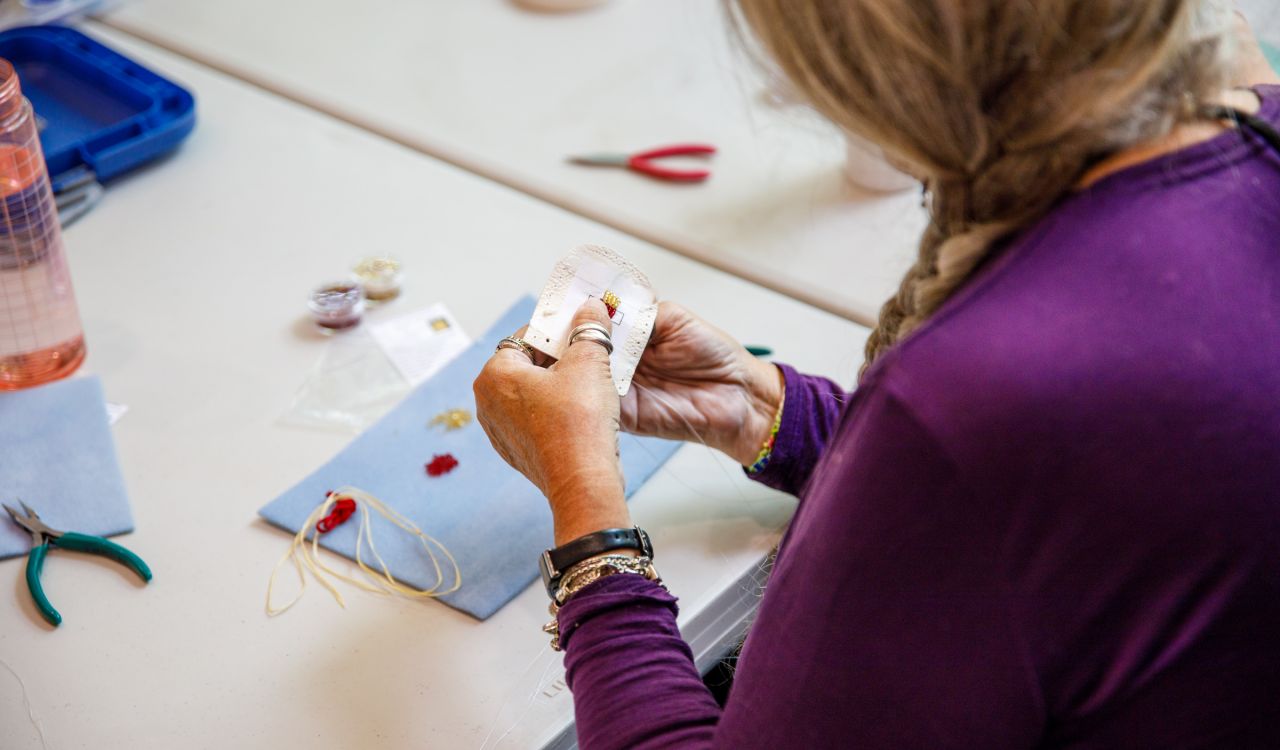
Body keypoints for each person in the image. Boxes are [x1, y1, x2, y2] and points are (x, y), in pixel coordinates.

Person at [473, 1, 1280, 747]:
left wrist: (586, 512)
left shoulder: (978, 402)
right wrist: (763, 412)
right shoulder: (1259, 132)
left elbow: (999, 466)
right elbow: (1074, 507)